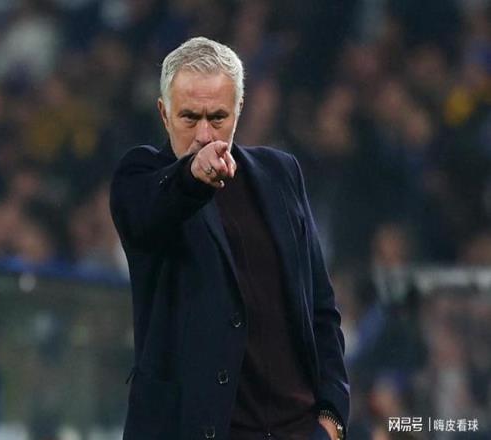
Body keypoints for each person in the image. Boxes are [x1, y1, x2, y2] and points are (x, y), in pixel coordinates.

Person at [110, 37, 349, 440]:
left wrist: (332, 417)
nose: (204, 134)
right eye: (189, 118)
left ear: (239, 109)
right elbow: (148, 213)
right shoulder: (141, 177)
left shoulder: (280, 174)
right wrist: (192, 176)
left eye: (218, 117)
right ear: (164, 113)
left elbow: (321, 309)